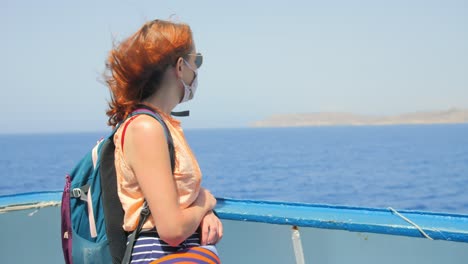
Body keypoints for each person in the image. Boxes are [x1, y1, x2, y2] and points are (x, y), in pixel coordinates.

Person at [105, 19, 223, 263]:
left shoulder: (161, 125)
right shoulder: (146, 128)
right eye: (196, 61)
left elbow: (172, 197)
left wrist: (203, 211)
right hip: (159, 254)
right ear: (180, 67)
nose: (197, 70)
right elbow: (171, 230)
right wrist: (204, 204)